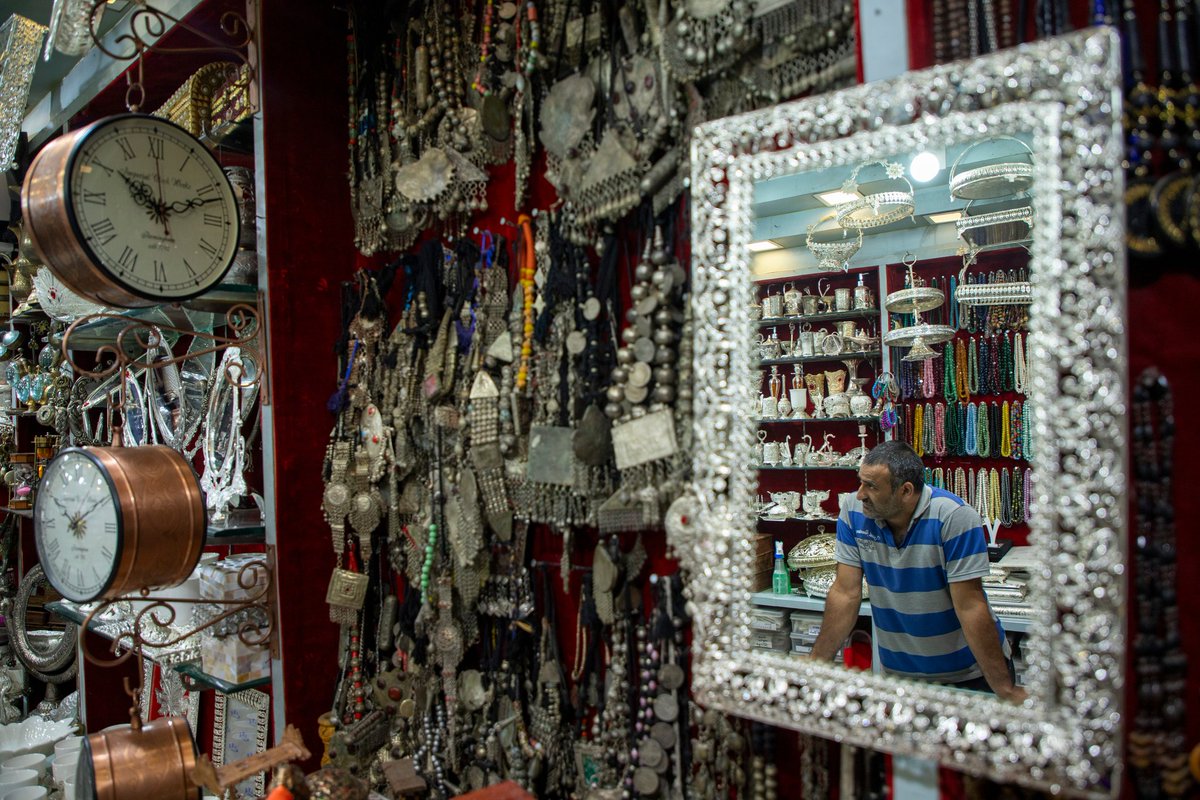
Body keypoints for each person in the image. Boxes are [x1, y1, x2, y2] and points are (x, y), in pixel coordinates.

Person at [809, 440, 1027, 702]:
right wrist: (815, 666)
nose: (860, 494)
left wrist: (1004, 689)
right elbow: (845, 594)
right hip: (899, 675)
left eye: (872, 486)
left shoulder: (954, 517)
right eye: (861, 482)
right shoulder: (854, 512)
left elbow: (970, 606)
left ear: (906, 490)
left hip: (967, 675)